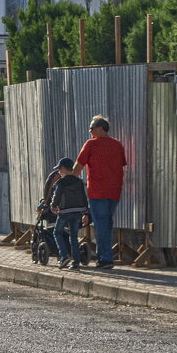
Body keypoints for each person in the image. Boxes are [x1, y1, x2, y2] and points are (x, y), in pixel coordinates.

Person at [73, 115, 126, 270]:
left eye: (92, 128)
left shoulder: (91, 144)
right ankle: (104, 256)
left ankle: (105, 259)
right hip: (114, 191)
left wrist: (68, 181)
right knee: (107, 224)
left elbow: (78, 165)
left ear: (101, 128)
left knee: (101, 225)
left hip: (97, 191)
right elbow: (122, 164)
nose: (89, 131)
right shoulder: (117, 145)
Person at [49, 157, 90, 270]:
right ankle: (76, 263)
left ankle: (64, 257)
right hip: (77, 212)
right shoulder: (79, 182)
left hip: (64, 212)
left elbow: (56, 195)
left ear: (62, 168)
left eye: (59, 170)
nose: (59, 172)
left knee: (57, 233)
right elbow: (84, 198)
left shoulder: (61, 182)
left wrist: (53, 206)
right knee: (73, 237)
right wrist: (86, 213)